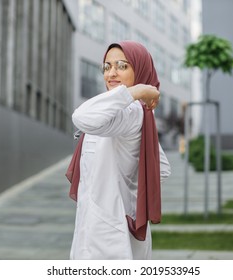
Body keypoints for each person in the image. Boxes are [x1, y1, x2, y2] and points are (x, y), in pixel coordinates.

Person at [66, 41, 171, 260]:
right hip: (107, 225)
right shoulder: (128, 110)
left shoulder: (131, 111)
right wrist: (130, 196)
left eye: (122, 66)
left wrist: (137, 91)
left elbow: (81, 117)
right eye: (106, 66)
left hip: (108, 234)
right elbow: (161, 168)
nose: (111, 73)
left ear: (140, 68)